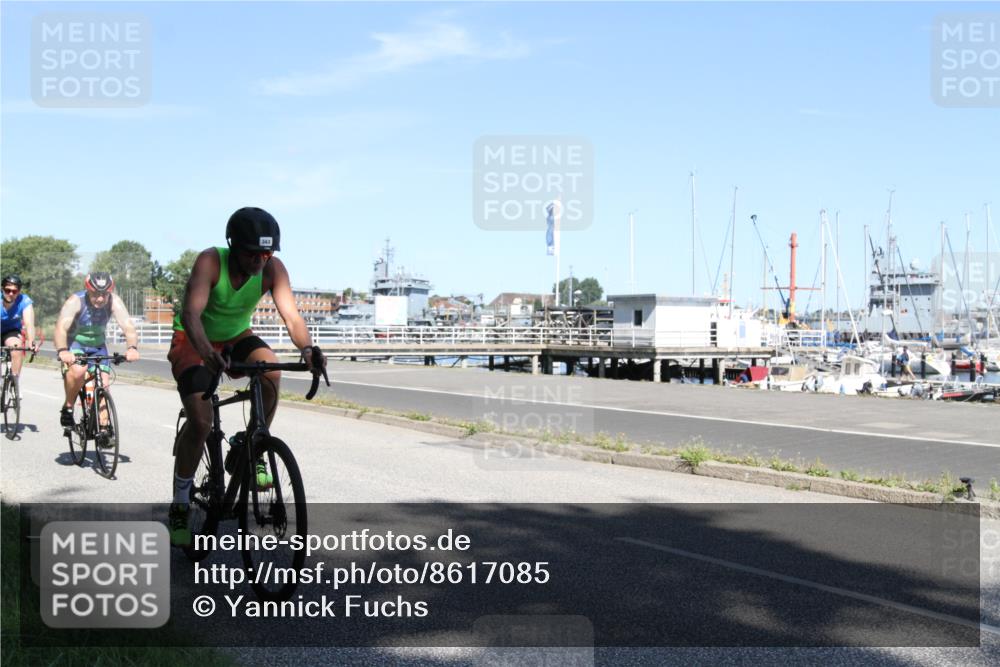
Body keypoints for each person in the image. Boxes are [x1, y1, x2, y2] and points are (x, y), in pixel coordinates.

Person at [168, 207, 326, 547]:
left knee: (270, 367)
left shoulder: (272, 270)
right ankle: (180, 503)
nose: (260, 260)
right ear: (233, 246)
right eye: (252, 253)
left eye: (267, 253)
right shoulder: (211, 262)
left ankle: (249, 444)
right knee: (201, 421)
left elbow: (293, 318)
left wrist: (308, 349)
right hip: (194, 340)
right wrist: (208, 354)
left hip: (237, 336)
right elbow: (191, 314)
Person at [54, 272, 140, 434]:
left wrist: (132, 348)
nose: (100, 299)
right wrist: (63, 351)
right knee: (79, 371)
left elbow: (128, 327)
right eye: (95, 294)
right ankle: (68, 407)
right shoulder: (75, 301)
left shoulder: (114, 301)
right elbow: (60, 328)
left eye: (104, 294)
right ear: (88, 290)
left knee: (104, 386)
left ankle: (104, 428)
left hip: (98, 345)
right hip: (75, 343)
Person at [1, 274, 39, 378]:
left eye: (15, 291)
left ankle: (14, 382)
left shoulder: (24, 300)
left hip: (11, 331)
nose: (11, 293)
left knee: (17, 348)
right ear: (2, 289)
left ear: (19, 291)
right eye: (7, 290)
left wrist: (32, 342)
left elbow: (29, 324)